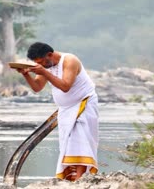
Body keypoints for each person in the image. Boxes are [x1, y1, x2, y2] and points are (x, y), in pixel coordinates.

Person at [16, 42, 99, 181]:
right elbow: (37, 87)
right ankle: (71, 178)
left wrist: (44, 72)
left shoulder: (69, 61)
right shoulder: (45, 66)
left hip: (84, 103)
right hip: (65, 109)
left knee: (81, 140)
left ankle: (80, 178)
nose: (41, 65)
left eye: (42, 62)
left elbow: (65, 86)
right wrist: (26, 75)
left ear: (49, 55)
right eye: (38, 63)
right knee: (67, 143)